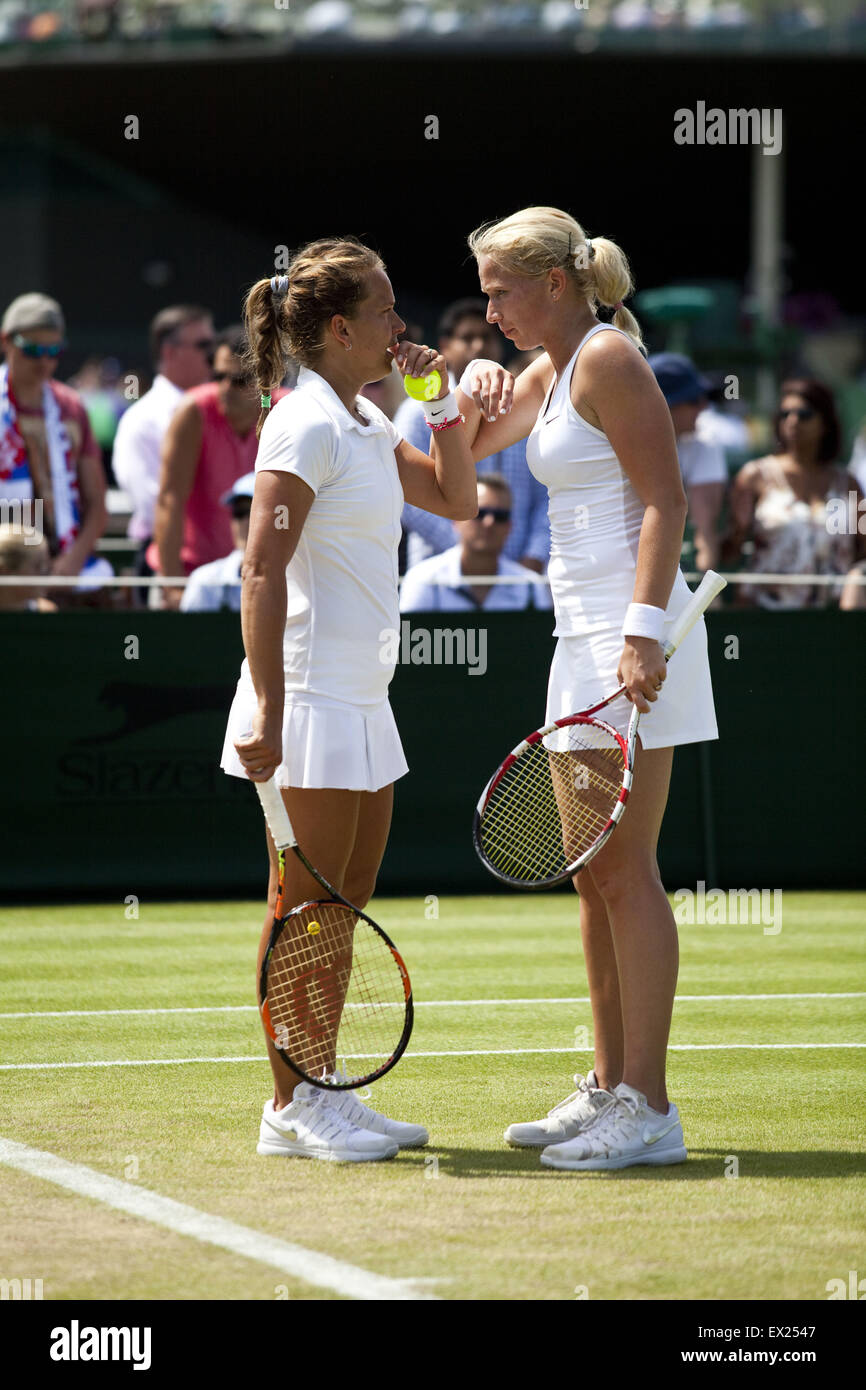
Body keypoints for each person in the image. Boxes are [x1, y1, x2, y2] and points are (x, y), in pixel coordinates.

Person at [456, 206, 718, 1172]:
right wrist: (458, 382)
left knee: (625, 870)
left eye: (500, 291)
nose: (490, 310)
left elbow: (667, 500)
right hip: (577, 642)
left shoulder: (608, 359)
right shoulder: (547, 370)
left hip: (629, 635)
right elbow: (462, 450)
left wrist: (645, 636)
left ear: (555, 284)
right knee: (590, 877)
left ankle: (649, 1107)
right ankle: (610, 1085)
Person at [219, 239, 477, 1163]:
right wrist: (272, 711)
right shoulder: (304, 423)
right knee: (305, 906)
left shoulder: (364, 421)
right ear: (339, 328)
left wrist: (437, 398)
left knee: (347, 899)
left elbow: (457, 497)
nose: (401, 327)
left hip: (366, 701)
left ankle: (319, 1084)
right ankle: (291, 1107)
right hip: (309, 703)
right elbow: (261, 570)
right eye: (387, 312)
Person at [394, 297, 550, 575]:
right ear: (445, 347)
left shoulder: (520, 404)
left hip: (519, 579)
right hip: (439, 579)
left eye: (487, 337)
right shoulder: (415, 411)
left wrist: (535, 555)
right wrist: (469, 551)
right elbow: (407, 498)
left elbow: (545, 493)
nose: (479, 346)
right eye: (467, 338)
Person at [154, 326, 288, 609]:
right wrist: (173, 586)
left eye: (239, 379)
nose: (226, 387)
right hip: (195, 581)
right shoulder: (193, 411)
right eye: (218, 377)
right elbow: (170, 500)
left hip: (274, 580)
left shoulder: (287, 412)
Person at [0, 293, 110, 598]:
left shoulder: (71, 407)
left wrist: (73, 560)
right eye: (33, 350)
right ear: (5, 341)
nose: (45, 361)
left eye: (54, 351)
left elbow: (97, 502)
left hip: (63, 568)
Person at [726, 378, 866, 608]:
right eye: (785, 414)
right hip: (765, 613)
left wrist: (856, 583)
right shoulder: (755, 476)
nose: (793, 421)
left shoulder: (847, 483)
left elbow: (863, 549)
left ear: (825, 422)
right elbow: (732, 549)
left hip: (834, 617)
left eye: (804, 414)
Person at [111, 303, 215, 585]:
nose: (214, 355)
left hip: (219, 560)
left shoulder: (218, 409)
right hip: (166, 561)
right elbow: (154, 506)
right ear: (170, 352)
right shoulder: (142, 419)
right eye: (204, 345)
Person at [399, 474, 552, 611]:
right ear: (456, 520)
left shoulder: (531, 588)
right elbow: (408, 641)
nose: (489, 522)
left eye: (500, 516)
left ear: (510, 526)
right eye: (479, 513)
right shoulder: (424, 581)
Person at [649, 352, 728, 572]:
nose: (704, 407)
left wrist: (704, 585)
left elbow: (704, 530)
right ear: (665, 405)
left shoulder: (705, 445)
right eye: (693, 400)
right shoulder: (613, 444)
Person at [179, 471, 253, 613]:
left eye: (252, 512)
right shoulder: (203, 581)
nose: (245, 521)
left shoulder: (297, 581)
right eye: (238, 512)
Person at [0, 522, 57, 611]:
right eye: (38, 566)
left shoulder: (46, 611)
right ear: (4, 571)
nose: (45, 573)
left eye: (46, 566)